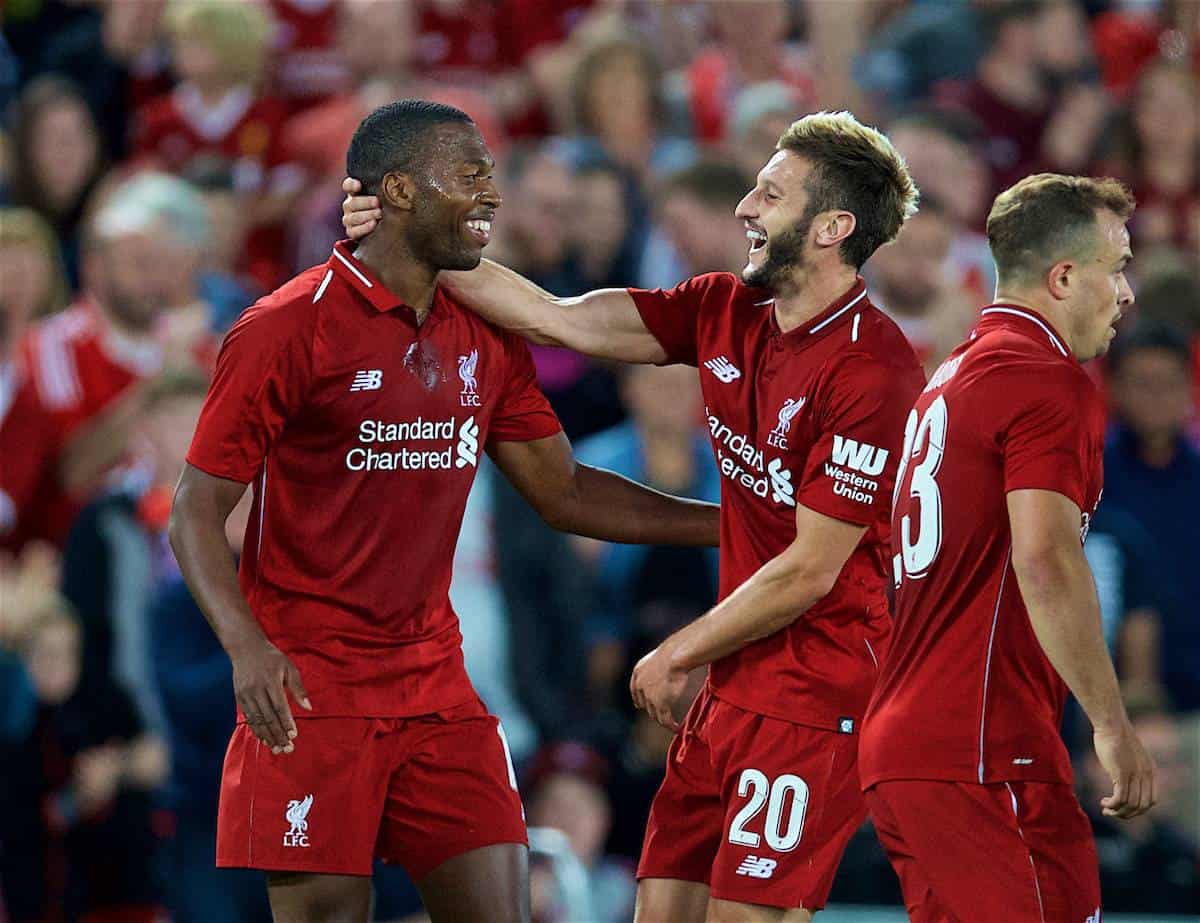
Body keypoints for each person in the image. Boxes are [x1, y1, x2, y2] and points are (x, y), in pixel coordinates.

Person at [343, 109, 925, 923]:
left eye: (771, 193)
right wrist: (408, 241)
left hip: (815, 693)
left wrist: (677, 650)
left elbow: (810, 567)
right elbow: (560, 316)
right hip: (731, 686)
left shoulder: (876, 371)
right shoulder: (723, 309)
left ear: (832, 226)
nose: (745, 209)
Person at [169, 99, 720, 923]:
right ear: (397, 189)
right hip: (313, 687)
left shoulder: (483, 330)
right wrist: (246, 645)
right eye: (471, 175)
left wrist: (732, 522)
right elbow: (192, 512)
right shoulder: (287, 327)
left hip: (436, 683)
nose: (492, 195)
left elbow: (564, 490)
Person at [859, 173, 1156, 922]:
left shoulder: (955, 375)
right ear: (1063, 276)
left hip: (954, 744)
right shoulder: (1045, 380)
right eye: (1115, 266)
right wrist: (1114, 724)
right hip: (976, 750)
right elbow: (1046, 557)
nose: (1126, 292)